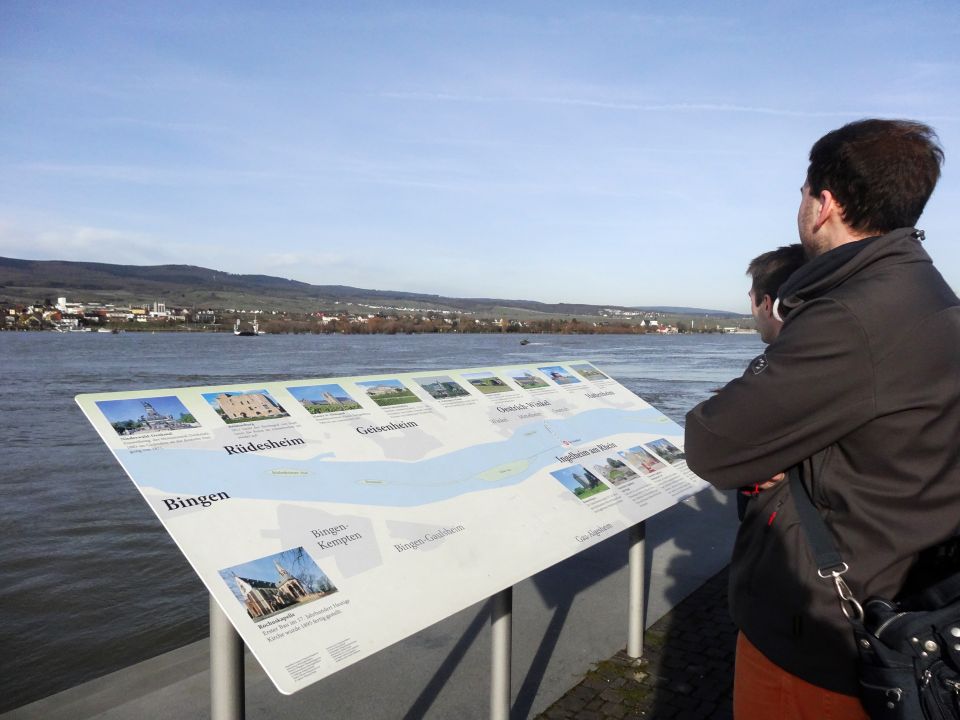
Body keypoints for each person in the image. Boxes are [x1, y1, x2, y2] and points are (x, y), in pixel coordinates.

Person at [684, 119, 960, 719]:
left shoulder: (852, 315)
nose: (801, 206)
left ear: (824, 204)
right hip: (901, 590)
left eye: (803, 192)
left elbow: (711, 442)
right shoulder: (927, 292)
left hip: (825, 631)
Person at [736, 243, 807, 520]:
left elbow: (707, 451)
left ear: (767, 304)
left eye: (751, 299)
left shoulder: (777, 369)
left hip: (788, 528)